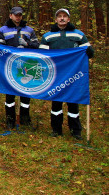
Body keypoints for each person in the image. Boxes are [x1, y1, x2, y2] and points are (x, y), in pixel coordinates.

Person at [40, 8, 94, 139]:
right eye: (59, 16)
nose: (62, 18)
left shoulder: (78, 35)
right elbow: (42, 56)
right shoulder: (47, 36)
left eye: (65, 16)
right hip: (56, 75)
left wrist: (88, 50)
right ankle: (56, 130)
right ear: (55, 19)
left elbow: (90, 53)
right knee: (56, 104)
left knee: (73, 102)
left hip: (73, 75)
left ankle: (76, 131)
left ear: (69, 19)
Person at [0, 6, 39, 128]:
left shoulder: (29, 30)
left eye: (20, 15)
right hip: (10, 66)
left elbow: (37, 45)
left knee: (25, 93)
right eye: (15, 15)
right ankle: (10, 120)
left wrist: (28, 44)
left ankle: (25, 120)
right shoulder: (2, 30)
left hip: (26, 66)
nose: (18, 17)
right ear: (10, 15)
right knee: (10, 94)